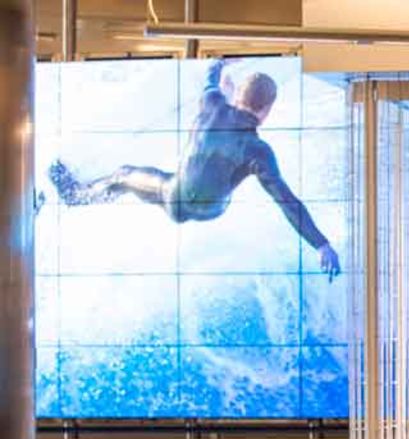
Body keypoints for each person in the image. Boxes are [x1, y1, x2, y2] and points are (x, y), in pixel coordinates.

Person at [47, 59, 341, 281]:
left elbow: (209, 76)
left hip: (175, 197)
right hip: (212, 209)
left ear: (236, 95)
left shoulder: (212, 104)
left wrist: (220, 65)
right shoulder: (259, 151)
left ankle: (75, 196)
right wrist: (322, 244)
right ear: (266, 111)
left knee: (124, 175)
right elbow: (287, 201)